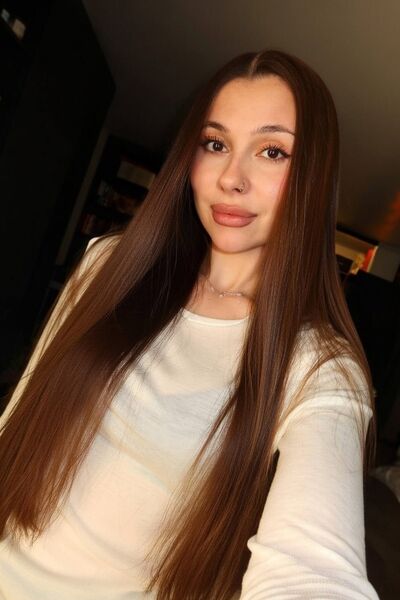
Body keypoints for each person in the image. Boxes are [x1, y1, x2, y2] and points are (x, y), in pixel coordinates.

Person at [0, 49, 379, 600]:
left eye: (272, 152)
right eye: (216, 144)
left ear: (314, 178)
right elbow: (18, 419)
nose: (231, 178)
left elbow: (313, 571)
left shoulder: (320, 369)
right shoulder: (108, 264)